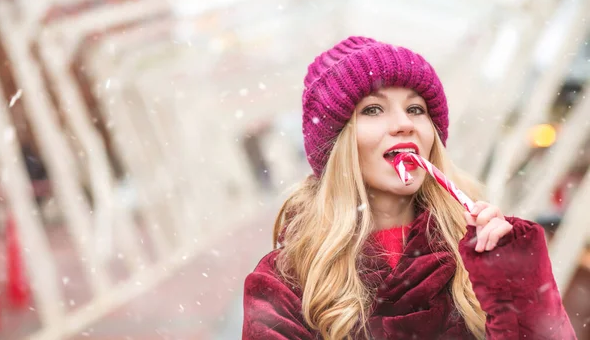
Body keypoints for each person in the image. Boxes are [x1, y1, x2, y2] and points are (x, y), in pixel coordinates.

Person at [242, 36, 576, 339]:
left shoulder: (479, 254)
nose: (404, 124)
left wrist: (516, 282)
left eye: (416, 109)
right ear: (337, 145)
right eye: (373, 109)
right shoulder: (285, 282)